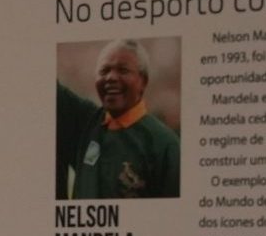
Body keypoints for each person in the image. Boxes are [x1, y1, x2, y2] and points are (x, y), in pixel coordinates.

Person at [56, 40, 178, 200]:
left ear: (143, 81)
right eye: (104, 71)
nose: (111, 77)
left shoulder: (164, 145)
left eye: (123, 70)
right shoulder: (86, 124)